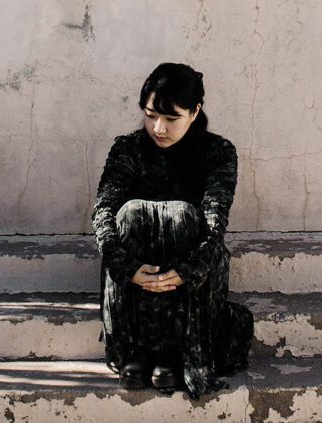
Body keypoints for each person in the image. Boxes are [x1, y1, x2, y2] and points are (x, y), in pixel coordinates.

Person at [90, 62, 253, 399]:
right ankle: (138, 349)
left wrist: (186, 271)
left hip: (190, 274)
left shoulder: (217, 153)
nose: (158, 128)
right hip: (135, 276)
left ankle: (174, 352)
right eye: (150, 115)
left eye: (170, 118)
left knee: (181, 216)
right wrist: (128, 268)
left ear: (195, 112)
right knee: (131, 214)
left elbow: (214, 222)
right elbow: (104, 212)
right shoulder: (128, 149)